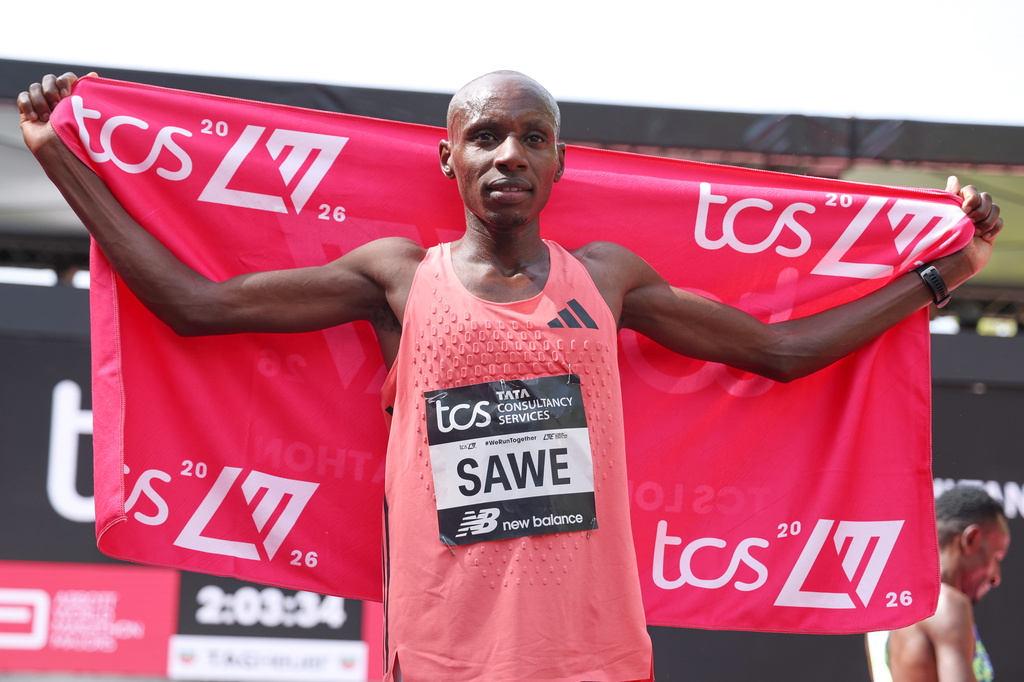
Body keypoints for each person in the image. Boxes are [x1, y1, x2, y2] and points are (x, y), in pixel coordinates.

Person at [20, 71, 1002, 682]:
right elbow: (194, 304)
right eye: (485, 135)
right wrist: (63, 160)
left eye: (532, 137)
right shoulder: (398, 276)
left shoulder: (606, 279)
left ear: (559, 162)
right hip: (444, 650)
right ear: (447, 157)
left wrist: (938, 276)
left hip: (591, 651)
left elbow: (778, 352)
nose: (508, 155)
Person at [867, 485, 1010, 682]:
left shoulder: (882, 610)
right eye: (997, 557)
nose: (996, 577)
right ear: (971, 539)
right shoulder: (945, 604)